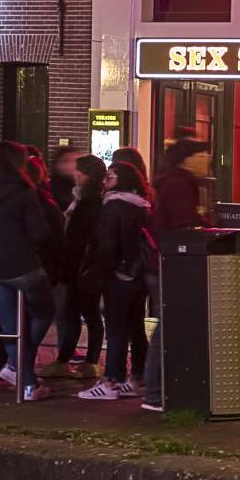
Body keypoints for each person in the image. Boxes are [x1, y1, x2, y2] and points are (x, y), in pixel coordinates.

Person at [0, 140, 63, 401]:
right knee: (44, 312)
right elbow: (39, 232)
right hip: (20, 264)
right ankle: (22, 372)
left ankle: (23, 377)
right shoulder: (23, 190)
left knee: (10, 325)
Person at [140, 138, 212, 412]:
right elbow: (184, 224)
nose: (208, 159)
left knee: (168, 325)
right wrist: (207, 229)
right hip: (171, 266)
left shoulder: (176, 183)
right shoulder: (178, 185)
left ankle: (162, 390)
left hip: (165, 264)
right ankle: (156, 393)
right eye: (204, 154)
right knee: (168, 327)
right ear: (188, 159)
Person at [83, 159, 154, 401]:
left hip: (119, 275)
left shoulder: (114, 206)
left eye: (110, 177)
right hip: (138, 275)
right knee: (135, 326)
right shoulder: (143, 205)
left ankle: (112, 380)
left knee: (115, 328)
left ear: (121, 180)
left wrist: (99, 274)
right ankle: (138, 377)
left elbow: (108, 245)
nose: (105, 182)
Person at [54, 155, 108, 380]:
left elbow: (84, 238)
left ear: (89, 176)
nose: (75, 174)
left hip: (82, 267)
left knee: (86, 313)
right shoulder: (81, 199)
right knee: (75, 313)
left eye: (80, 171)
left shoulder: (92, 202)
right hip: (76, 266)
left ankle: (89, 361)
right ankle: (69, 360)